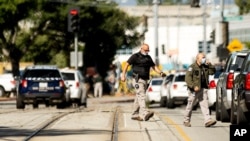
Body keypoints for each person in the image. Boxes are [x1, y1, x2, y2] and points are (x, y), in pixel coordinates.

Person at [121, 43, 166, 121]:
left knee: (138, 97)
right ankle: (145, 113)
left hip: (145, 80)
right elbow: (126, 65)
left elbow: (154, 66)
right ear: (141, 49)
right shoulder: (135, 56)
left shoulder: (148, 57)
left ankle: (134, 115)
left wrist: (161, 72)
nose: (147, 51)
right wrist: (123, 75)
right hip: (137, 79)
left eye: (148, 50)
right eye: (146, 50)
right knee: (141, 95)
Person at [183, 53, 217, 127]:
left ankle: (208, 121)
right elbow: (187, 79)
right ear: (197, 59)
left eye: (204, 57)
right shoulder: (192, 67)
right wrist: (193, 86)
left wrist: (210, 64)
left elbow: (213, 72)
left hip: (203, 88)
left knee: (205, 105)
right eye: (202, 57)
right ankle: (186, 120)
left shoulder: (205, 66)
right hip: (194, 90)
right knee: (190, 105)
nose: (204, 59)